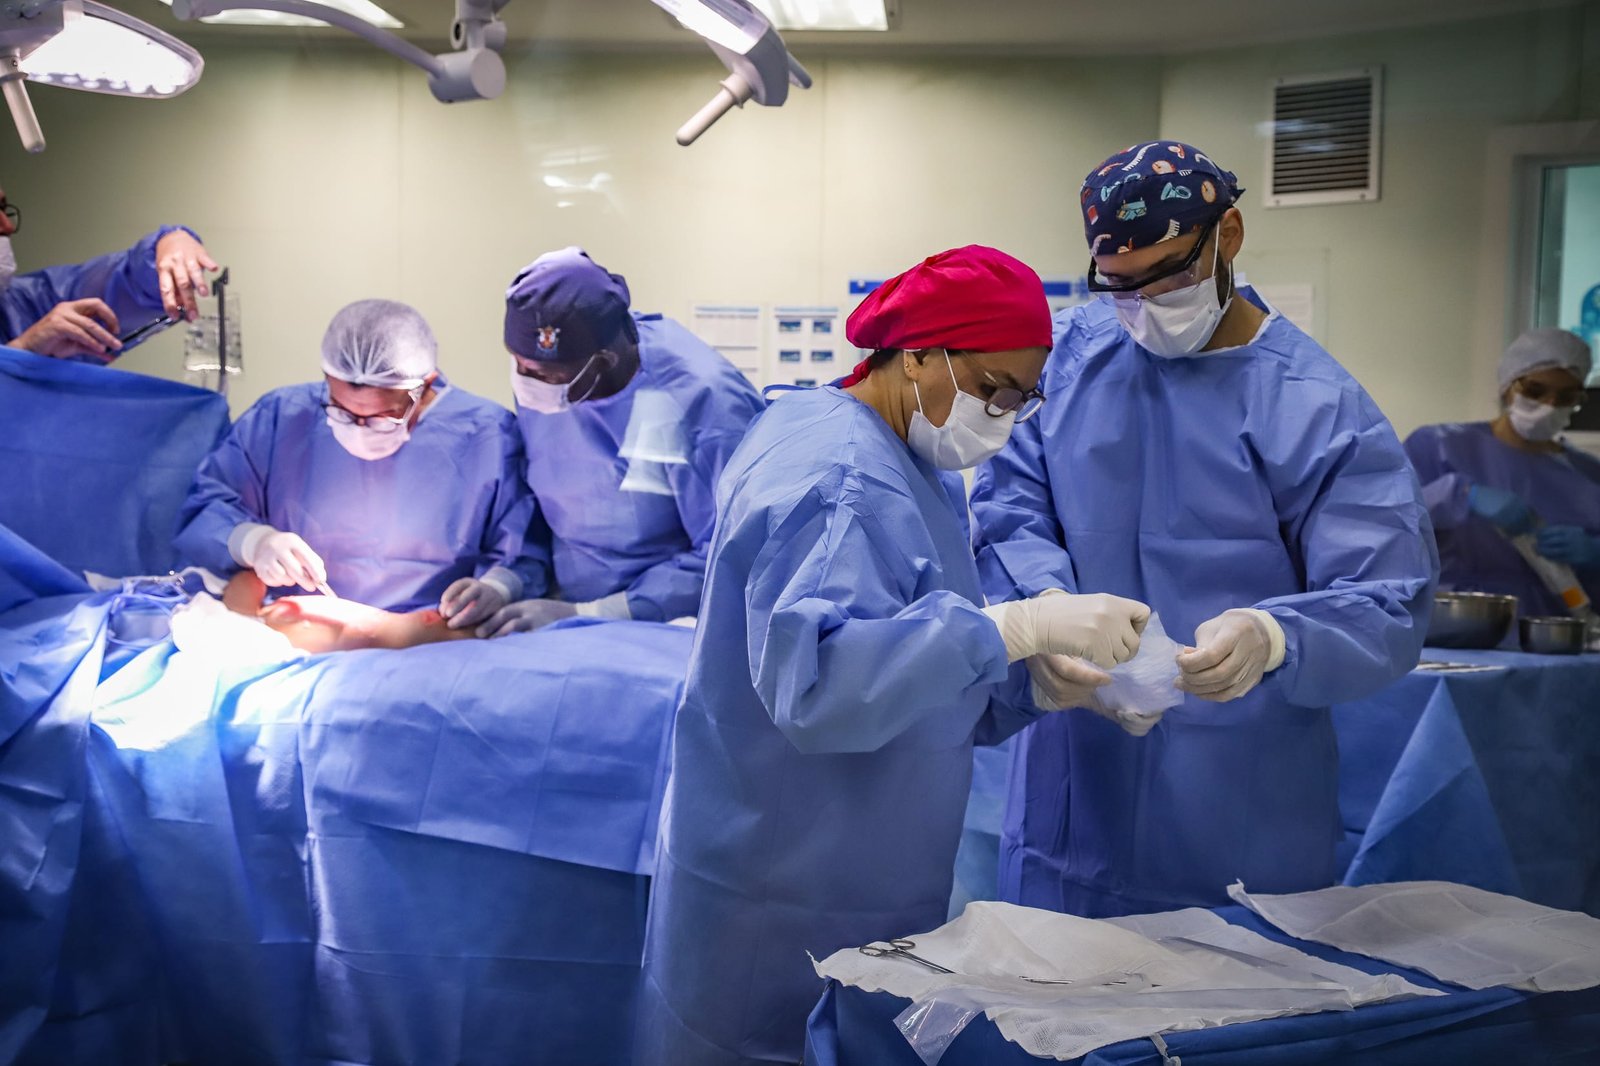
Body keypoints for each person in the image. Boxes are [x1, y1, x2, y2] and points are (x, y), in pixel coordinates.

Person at [635, 245, 1152, 1066]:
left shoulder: (884, 448)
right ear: (917, 353)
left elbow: (909, 676)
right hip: (785, 893)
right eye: (993, 390)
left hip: (839, 865)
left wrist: (1037, 687)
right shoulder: (840, 482)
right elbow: (821, 689)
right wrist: (1010, 629)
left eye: (1025, 398)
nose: (1005, 416)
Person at [970, 141, 1439, 920]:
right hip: (1076, 774)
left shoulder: (1316, 405)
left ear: (1229, 236)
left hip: (1243, 800)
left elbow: (1387, 600)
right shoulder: (1070, 359)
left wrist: (1275, 636)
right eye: (1120, 286)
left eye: (1172, 276)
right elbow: (1009, 505)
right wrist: (1045, 616)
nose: (1146, 306)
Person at [175, 299, 545, 614]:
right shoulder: (281, 417)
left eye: (382, 416)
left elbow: (524, 546)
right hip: (294, 630)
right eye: (342, 410)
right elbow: (208, 506)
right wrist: (254, 541)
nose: (359, 428)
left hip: (431, 639)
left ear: (426, 384)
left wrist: (500, 586)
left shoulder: (489, 436)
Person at [466, 247, 765, 637]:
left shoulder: (704, 404)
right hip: (567, 606)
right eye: (519, 365)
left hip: (675, 626)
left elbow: (731, 553)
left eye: (542, 374)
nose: (526, 382)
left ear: (604, 361)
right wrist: (506, 580)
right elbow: (540, 501)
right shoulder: (547, 385)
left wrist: (595, 612)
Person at [1405, 328, 1600, 616]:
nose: (1548, 405)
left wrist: (1595, 553)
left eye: (1566, 397)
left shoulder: (1588, 474)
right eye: (1535, 390)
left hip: (1554, 636)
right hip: (1455, 628)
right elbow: (1383, 519)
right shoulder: (1439, 446)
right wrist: (1459, 494)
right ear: (1508, 385)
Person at [0, 182, 218, 361]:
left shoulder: (29, 304)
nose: (7, 226)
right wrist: (21, 352)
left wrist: (167, 246)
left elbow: (123, 288)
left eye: (3, 207)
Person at [222, 571, 478, 653]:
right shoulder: (376, 626)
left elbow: (244, 588)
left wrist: (253, 568)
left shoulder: (252, 630)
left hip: (253, 625)